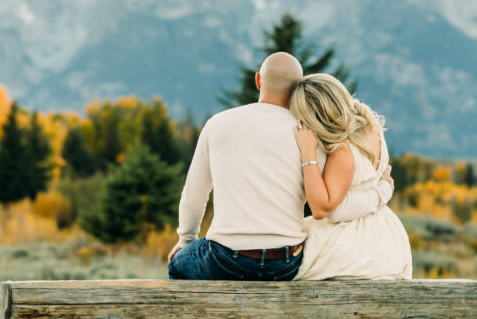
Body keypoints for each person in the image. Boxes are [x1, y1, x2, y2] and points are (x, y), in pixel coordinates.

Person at [168, 53, 394, 280]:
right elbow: (333, 205)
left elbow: (193, 196)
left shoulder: (216, 124)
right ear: (299, 87)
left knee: (178, 264)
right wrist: (382, 190)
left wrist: (185, 241)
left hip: (226, 259)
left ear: (258, 81)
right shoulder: (311, 135)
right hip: (286, 262)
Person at [290, 73, 412, 280]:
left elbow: (326, 210)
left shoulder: (343, 150)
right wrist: (383, 191)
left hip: (352, 242)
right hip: (385, 234)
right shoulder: (371, 127)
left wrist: (307, 152)